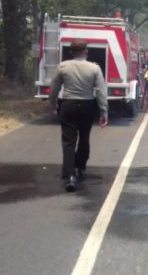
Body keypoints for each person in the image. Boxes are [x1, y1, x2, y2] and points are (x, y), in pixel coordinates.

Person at [49, 39, 108, 192]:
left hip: (68, 105)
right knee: (84, 137)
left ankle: (69, 176)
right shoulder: (94, 69)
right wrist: (104, 112)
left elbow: (54, 89)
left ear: (71, 52)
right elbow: (101, 91)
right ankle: (81, 168)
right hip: (88, 106)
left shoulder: (63, 67)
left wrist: (53, 104)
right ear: (86, 52)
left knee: (68, 141)